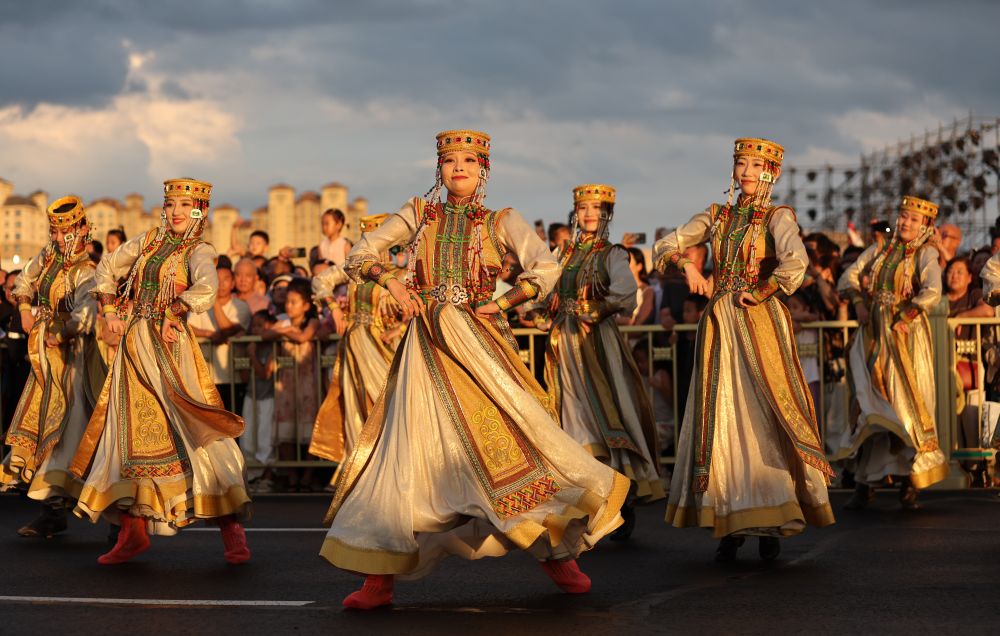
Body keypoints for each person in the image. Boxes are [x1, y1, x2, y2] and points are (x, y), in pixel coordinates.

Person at [322, 130, 628, 610]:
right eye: (450, 160)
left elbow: (544, 268)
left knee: (513, 445)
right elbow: (361, 253)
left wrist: (505, 301)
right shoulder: (418, 213)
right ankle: (379, 578)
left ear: (483, 169)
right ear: (439, 168)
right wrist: (393, 283)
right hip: (425, 351)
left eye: (469, 160)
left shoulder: (500, 220)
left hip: (479, 349)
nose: (459, 167)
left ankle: (556, 553)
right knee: (405, 454)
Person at [653, 137, 835, 561]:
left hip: (760, 322)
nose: (748, 172)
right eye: (742, 164)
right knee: (722, 417)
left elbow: (796, 262)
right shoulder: (717, 215)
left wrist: (763, 290)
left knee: (764, 415)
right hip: (720, 325)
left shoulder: (777, 216)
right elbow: (666, 244)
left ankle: (774, 513)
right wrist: (689, 265)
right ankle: (731, 519)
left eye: (757, 165)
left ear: (772, 172)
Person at [71, 178, 251, 565]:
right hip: (135, 346)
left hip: (171, 349)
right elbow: (107, 267)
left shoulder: (200, 249)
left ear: (199, 210)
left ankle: (230, 526)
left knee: (195, 429)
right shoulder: (148, 240)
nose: (176, 212)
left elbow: (207, 286)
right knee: (126, 435)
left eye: (185, 205)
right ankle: (132, 532)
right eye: (171, 205)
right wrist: (110, 309)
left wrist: (176, 309)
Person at [540, 183, 663, 541]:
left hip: (596, 342)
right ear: (575, 213)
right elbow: (544, 285)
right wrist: (544, 305)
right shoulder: (563, 252)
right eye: (583, 208)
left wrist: (595, 309)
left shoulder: (612, 254)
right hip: (565, 343)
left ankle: (621, 494)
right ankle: (584, 498)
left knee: (606, 411)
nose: (589, 214)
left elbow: (627, 294)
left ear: (607, 213)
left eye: (596, 208)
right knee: (571, 415)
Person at [1, 196, 107, 537]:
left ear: (82, 230)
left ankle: (116, 518)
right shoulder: (47, 258)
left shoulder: (87, 271)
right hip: (46, 361)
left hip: (75, 361)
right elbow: (23, 281)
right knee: (43, 430)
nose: (59, 239)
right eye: (55, 232)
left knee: (77, 430)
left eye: (66, 232)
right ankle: (52, 511)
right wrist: (25, 309)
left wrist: (60, 332)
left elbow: (85, 316)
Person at [835, 195, 948, 510]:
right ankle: (864, 482)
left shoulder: (925, 253)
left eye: (914, 219)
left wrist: (908, 315)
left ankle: (910, 483)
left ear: (925, 224)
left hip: (905, 339)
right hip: (874, 336)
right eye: (903, 216)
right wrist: (859, 302)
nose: (906, 222)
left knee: (904, 407)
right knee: (868, 404)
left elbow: (933, 291)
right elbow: (848, 276)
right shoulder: (880, 249)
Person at [309, 215, 404, 486]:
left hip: (386, 348)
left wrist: (400, 328)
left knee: (387, 405)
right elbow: (320, 281)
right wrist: (334, 308)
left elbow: (421, 306)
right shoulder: (353, 269)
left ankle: (391, 468)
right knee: (354, 405)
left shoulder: (401, 275)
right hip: (354, 344)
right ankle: (358, 472)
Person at [265, 278, 321, 491]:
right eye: (287, 301)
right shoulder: (282, 322)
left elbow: (304, 337)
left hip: (308, 381)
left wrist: (284, 331)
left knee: (309, 427)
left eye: (294, 302)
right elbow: (264, 333)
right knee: (286, 428)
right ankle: (292, 475)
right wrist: (282, 330)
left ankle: (308, 475)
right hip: (286, 382)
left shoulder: (312, 321)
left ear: (306, 305)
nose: (289, 306)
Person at [188, 263, 251, 413]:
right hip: (207, 377)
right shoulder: (201, 305)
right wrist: (208, 334)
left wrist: (214, 301)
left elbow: (227, 328)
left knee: (233, 418)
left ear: (233, 283)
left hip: (232, 377)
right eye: (217, 279)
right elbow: (188, 327)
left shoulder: (241, 306)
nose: (221, 283)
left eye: (226, 279)